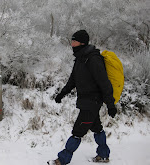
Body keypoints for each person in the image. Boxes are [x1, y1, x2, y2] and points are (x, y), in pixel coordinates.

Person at [47, 30, 117, 165]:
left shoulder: (93, 59)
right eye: (72, 41)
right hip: (85, 101)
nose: (71, 43)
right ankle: (103, 155)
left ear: (82, 42)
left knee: (77, 131)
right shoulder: (80, 59)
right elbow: (72, 80)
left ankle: (62, 160)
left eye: (74, 41)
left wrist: (110, 104)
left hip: (92, 102)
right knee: (96, 127)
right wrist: (62, 93)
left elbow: (104, 83)